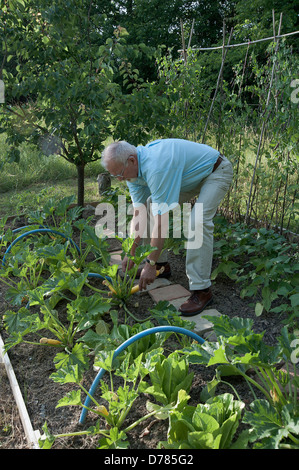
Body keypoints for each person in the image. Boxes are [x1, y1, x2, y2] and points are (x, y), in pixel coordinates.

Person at [101, 138, 233, 316]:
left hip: (215, 171)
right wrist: (131, 252)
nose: (120, 179)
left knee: (197, 221)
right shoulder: (132, 174)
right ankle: (161, 267)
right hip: (189, 177)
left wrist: (149, 262)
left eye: (120, 174)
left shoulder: (156, 167)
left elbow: (161, 222)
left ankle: (202, 290)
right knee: (148, 204)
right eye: (116, 176)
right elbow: (139, 214)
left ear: (132, 160)